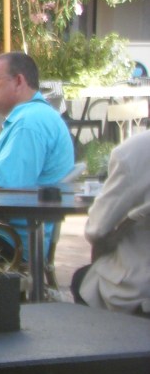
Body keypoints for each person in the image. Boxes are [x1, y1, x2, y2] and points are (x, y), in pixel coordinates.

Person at [0, 51, 74, 257]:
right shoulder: (28, 117)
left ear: (19, 81)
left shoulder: (28, 123)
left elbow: (4, 194)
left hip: (3, 239)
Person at [70, 129, 150, 315]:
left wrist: (126, 222)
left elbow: (97, 229)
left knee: (82, 280)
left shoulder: (136, 150)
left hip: (140, 284)